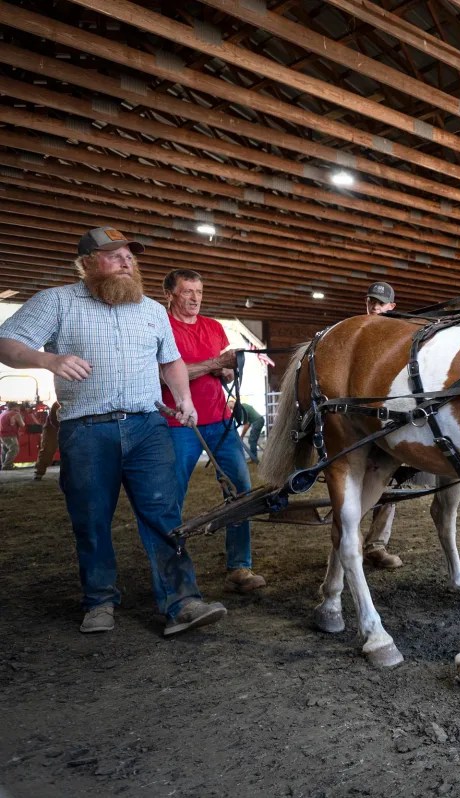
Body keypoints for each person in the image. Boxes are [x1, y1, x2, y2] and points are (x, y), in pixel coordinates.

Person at [0, 226, 226, 635]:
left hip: (148, 427)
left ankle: (183, 600)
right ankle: (99, 600)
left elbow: (171, 361)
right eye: (114, 254)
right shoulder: (58, 302)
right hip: (86, 430)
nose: (126, 261)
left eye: (130, 255)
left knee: (164, 514)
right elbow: (6, 342)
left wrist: (184, 400)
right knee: (91, 518)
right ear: (87, 263)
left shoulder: (151, 310)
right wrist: (47, 360)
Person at [161, 268, 265, 594]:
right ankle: (173, 570)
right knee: (171, 497)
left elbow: (224, 372)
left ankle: (240, 566)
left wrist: (228, 370)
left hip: (220, 421)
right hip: (177, 423)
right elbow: (167, 374)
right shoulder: (162, 327)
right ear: (171, 295)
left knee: (240, 491)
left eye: (199, 292)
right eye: (188, 291)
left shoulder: (214, 327)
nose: (195, 298)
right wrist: (211, 364)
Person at [360, 282, 403, 570]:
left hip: (385, 420)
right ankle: (347, 539)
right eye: (371, 302)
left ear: (391, 307)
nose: (375, 307)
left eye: (381, 303)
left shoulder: (397, 337)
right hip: (358, 421)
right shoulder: (356, 333)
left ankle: (376, 545)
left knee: (389, 484)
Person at [229, 397, 264, 463]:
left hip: (257, 421)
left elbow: (246, 424)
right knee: (252, 440)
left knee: (252, 440)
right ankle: (253, 457)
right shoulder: (242, 406)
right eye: (231, 408)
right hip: (257, 421)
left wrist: (241, 436)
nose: (232, 410)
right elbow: (247, 423)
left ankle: (254, 459)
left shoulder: (242, 409)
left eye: (232, 408)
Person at [33, 401, 60, 480]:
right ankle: (39, 472)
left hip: (67, 425)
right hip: (53, 427)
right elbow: (53, 420)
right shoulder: (57, 404)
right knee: (48, 449)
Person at [0, 400, 24, 469]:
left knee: (5, 450)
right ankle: (7, 465)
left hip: (1, 435)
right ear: (15, 407)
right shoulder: (15, 414)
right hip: (10, 434)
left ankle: (3, 465)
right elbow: (22, 424)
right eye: (18, 407)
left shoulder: (3, 413)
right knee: (14, 449)